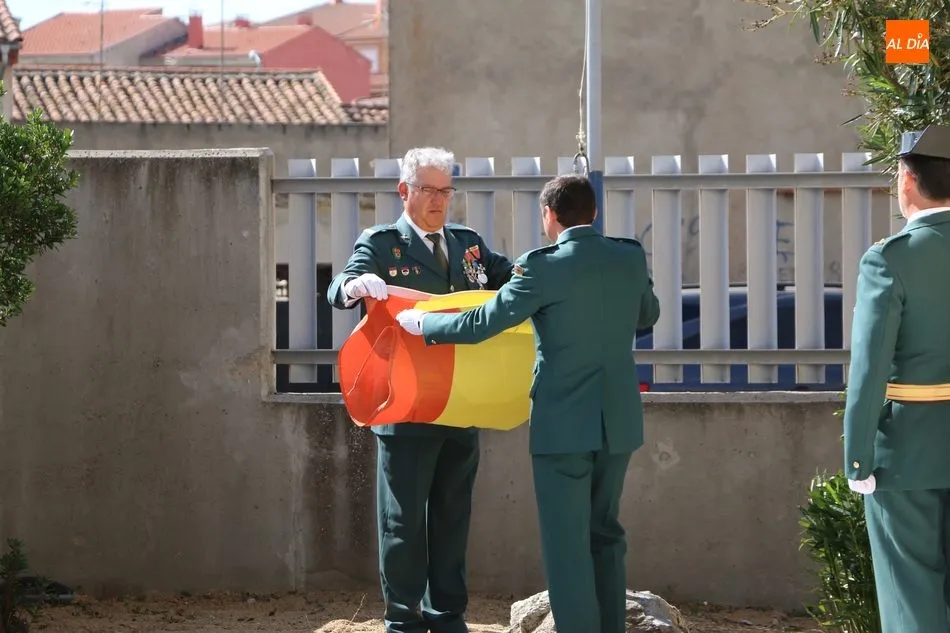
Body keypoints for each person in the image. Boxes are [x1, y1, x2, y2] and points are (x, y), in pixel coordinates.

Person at [395, 174, 660, 633]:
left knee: (567, 544)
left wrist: (426, 326)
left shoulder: (541, 267)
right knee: (606, 532)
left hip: (563, 425)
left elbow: (486, 321)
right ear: (594, 213)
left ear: (548, 216)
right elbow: (647, 315)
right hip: (618, 421)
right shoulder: (629, 255)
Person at [327, 146, 513, 633]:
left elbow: (513, 280)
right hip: (406, 402)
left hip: (461, 399)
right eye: (428, 190)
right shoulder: (382, 243)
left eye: (445, 190)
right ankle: (403, 618)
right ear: (404, 191)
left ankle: (447, 614)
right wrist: (355, 287)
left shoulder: (468, 244)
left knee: (453, 515)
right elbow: (341, 284)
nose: (438, 200)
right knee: (403, 521)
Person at [843, 123, 950, 633]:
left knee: (911, 597)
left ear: (906, 180)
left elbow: (868, 369)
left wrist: (858, 457)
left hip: (908, 452)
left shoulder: (892, 258)